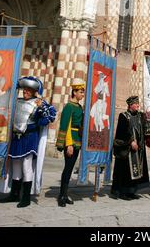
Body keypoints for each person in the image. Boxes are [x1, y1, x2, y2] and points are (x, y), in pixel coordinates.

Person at [0, 76, 56, 208]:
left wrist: (42, 108)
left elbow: (49, 117)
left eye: (28, 89)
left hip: (30, 138)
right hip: (16, 138)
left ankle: (26, 198)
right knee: (16, 165)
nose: (25, 91)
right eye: (24, 89)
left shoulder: (38, 103)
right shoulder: (16, 102)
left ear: (34, 91)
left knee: (26, 165)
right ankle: (14, 194)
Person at [111, 95, 149, 200]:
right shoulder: (123, 116)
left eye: (138, 103)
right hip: (127, 149)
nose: (138, 105)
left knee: (137, 171)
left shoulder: (141, 116)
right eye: (136, 104)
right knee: (126, 171)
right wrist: (131, 141)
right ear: (130, 105)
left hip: (138, 149)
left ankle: (132, 191)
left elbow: (145, 128)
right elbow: (121, 132)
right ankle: (123, 192)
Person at [56, 78, 85, 207]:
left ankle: (65, 194)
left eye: (83, 92)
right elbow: (65, 125)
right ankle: (62, 195)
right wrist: (68, 144)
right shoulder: (69, 106)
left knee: (70, 167)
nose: (82, 94)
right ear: (74, 92)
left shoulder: (79, 107)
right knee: (67, 169)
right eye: (81, 92)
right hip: (71, 141)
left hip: (77, 141)